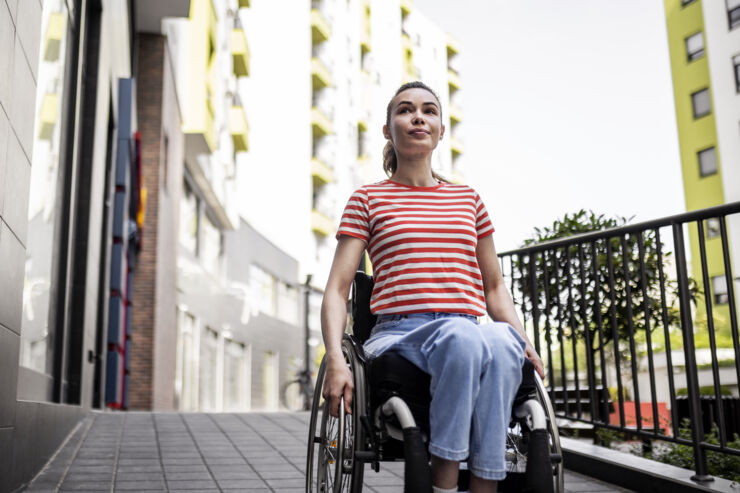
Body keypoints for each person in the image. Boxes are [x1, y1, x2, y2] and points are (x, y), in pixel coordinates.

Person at [320, 81, 545, 493]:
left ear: (441, 130)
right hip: (399, 337)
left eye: (429, 110)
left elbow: (494, 288)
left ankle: (482, 486)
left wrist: (521, 337)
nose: (418, 117)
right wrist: (335, 356)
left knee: (498, 341)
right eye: (405, 110)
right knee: (465, 336)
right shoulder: (368, 199)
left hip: (468, 331)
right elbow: (337, 289)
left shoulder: (468, 200)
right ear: (389, 130)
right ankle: (443, 484)